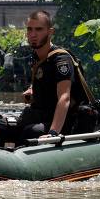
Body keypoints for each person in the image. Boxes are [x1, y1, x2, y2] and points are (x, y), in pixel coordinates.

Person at [18, 10, 76, 139]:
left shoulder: (61, 59)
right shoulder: (37, 57)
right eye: (29, 29)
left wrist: (53, 133)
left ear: (50, 32)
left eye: (38, 29)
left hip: (62, 123)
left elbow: (64, 97)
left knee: (31, 132)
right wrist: (32, 91)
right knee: (5, 126)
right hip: (42, 115)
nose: (32, 34)